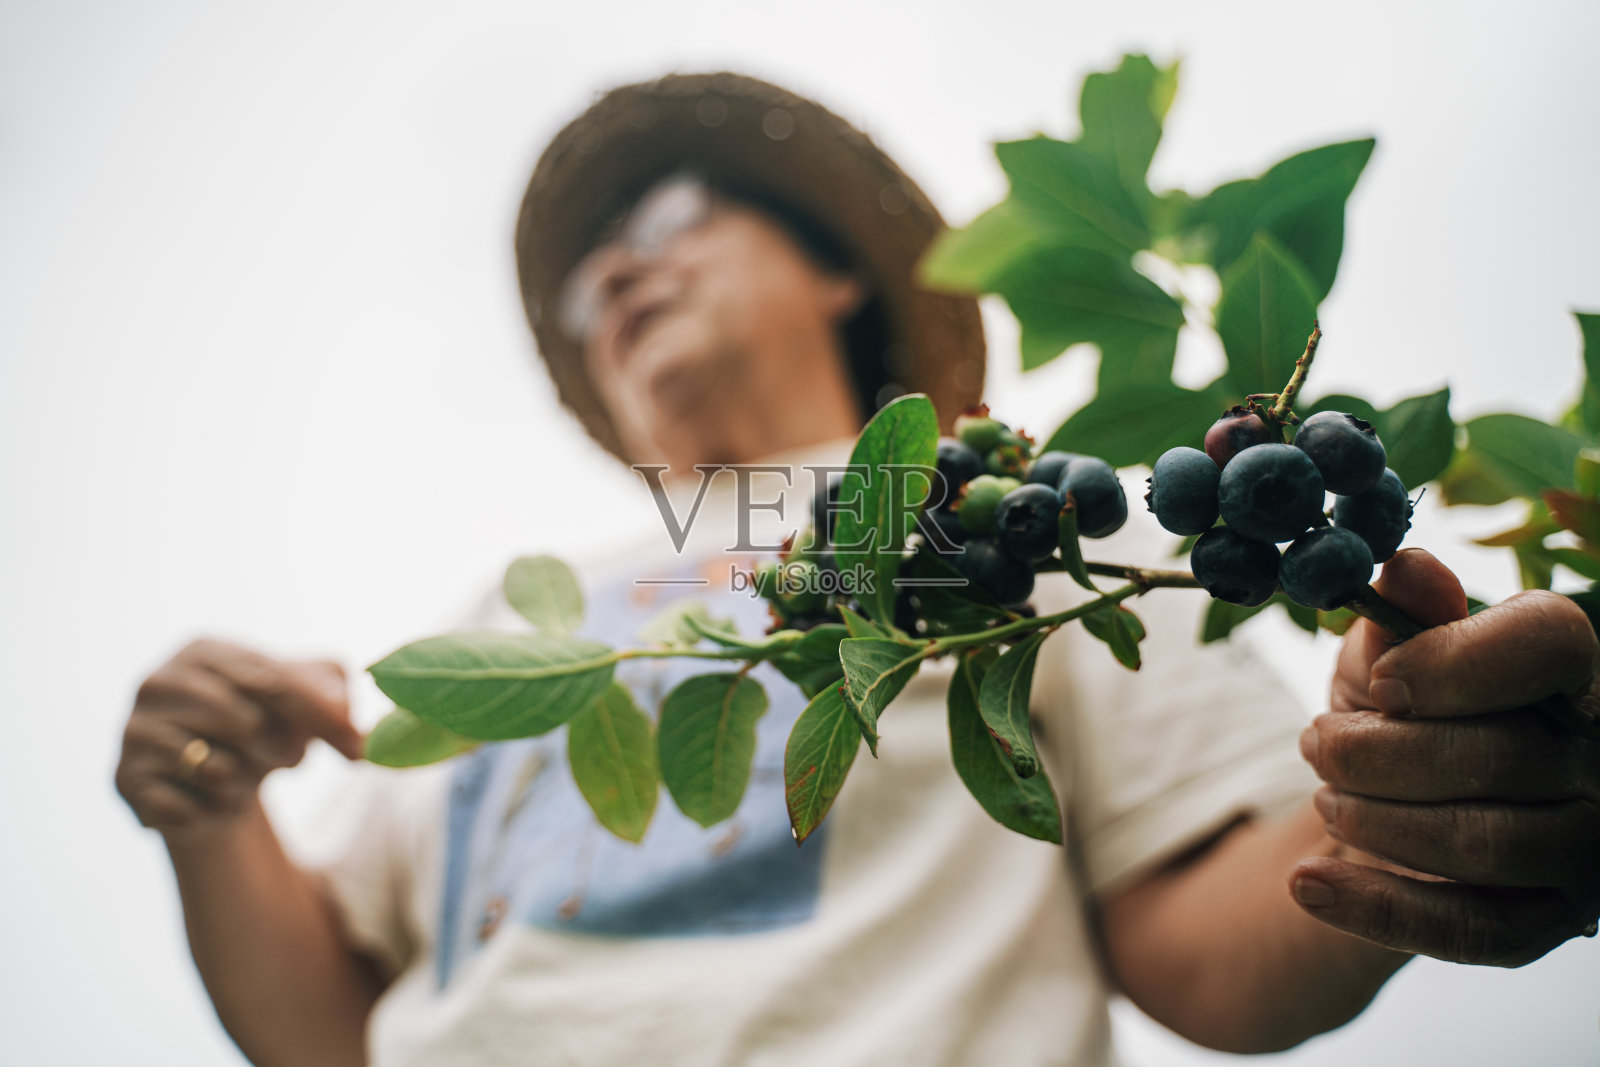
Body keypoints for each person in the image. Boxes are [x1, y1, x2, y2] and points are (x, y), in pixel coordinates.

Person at [115, 72, 1600, 1066]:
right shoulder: (515, 621)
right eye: (589, 285)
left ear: (837, 270)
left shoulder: (1028, 528)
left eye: (673, 222)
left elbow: (1205, 939)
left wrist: (1408, 803)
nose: (619, 276)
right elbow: (334, 1020)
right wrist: (211, 807)